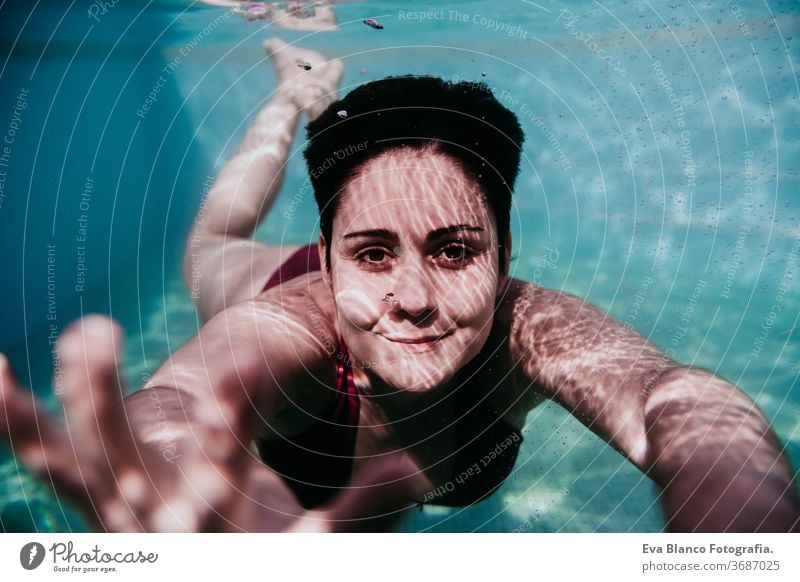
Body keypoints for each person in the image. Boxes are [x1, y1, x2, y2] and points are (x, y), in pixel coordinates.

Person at [1, 39, 798, 533]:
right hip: (277, 286)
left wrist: (744, 523)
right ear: (329, 250)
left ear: (506, 251)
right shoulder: (289, 333)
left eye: (454, 251)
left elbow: (672, 399)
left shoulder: (530, 331)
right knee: (213, 242)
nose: (413, 296)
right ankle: (294, 97)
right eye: (373, 252)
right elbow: (178, 403)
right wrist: (163, 474)